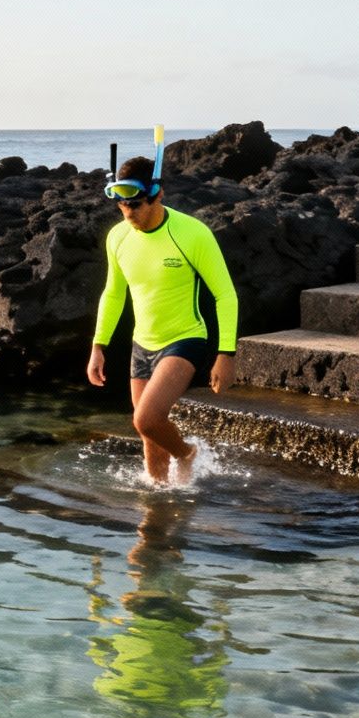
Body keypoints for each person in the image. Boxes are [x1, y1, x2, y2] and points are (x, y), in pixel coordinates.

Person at [85, 155, 239, 485]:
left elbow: (225, 295)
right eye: (123, 208)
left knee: (146, 419)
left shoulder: (192, 234)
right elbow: (113, 293)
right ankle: (158, 511)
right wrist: (99, 346)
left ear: (158, 194)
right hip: (142, 345)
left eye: (137, 206)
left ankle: (187, 454)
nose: (130, 216)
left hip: (185, 339)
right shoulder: (119, 237)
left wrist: (226, 354)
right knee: (150, 443)